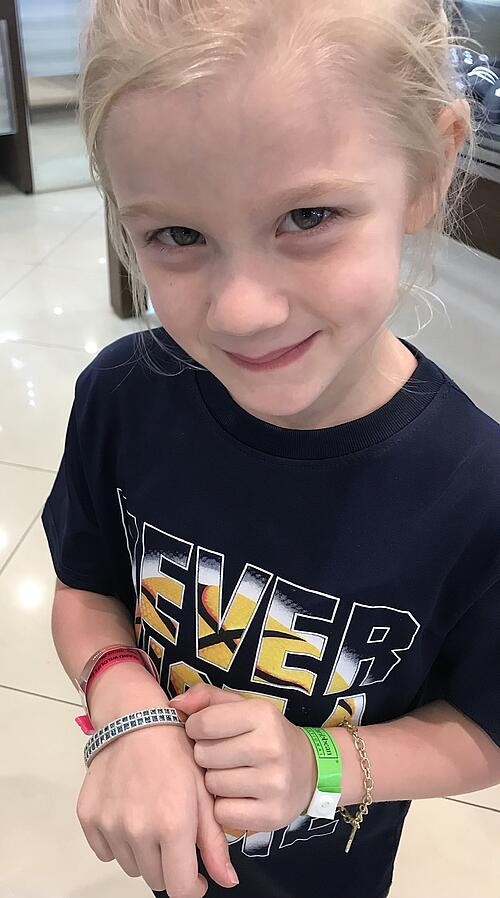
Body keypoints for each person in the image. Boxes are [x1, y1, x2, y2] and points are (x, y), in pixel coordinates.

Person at [43, 2, 500, 898]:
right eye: (177, 236)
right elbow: (84, 587)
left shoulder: (476, 491)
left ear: (430, 165)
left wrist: (316, 762)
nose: (241, 310)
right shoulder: (124, 398)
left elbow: (481, 732)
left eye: (308, 215)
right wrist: (121, 700)